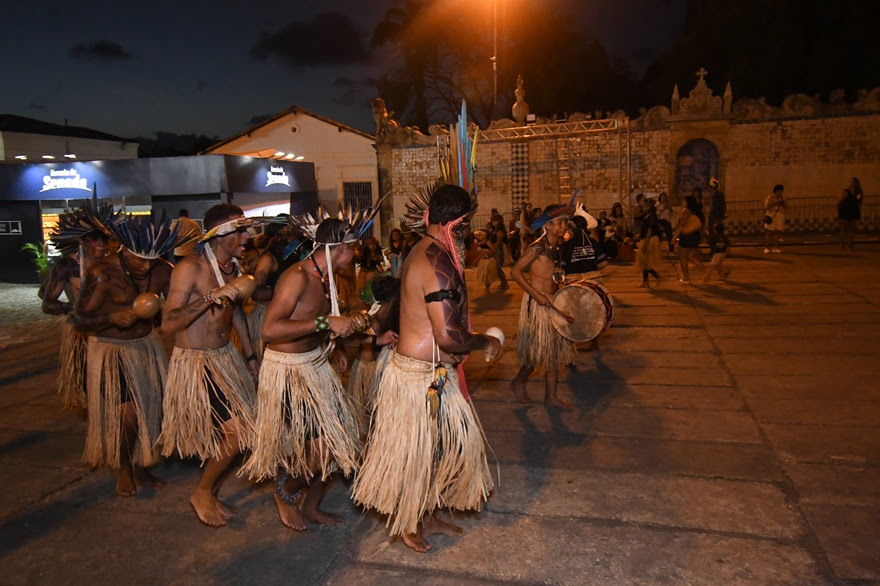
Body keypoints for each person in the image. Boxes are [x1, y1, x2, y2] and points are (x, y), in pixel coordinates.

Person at [352, 184, 501, 553]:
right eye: (466, 228)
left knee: (437, 449)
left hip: (432, 375)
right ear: (458, 225)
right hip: (417, 378)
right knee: (415, 455)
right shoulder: (436, 264)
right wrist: (487, 342)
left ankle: (427, 510)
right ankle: (408, 522)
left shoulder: (423, 249)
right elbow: (449, 336)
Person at [241, 217, 367, 531]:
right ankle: (286, 492)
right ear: (339, 248)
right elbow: (270, 329)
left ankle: (311, 506)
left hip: (315, 366)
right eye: (353, 247)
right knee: (322, 448)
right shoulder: (296, 277)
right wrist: (326, 325)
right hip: (289, 372)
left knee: (341, 442)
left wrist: (336, 346)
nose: (357, 252)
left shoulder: (328, 278)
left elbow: (321, 319)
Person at [158, 204, 262, 527]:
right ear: (219, 234)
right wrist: (209, 298)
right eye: (239, 231)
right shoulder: (190, 268)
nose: (246, 237)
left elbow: (238, 313)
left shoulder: (233, 267)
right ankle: (202, 492)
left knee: (245, 433)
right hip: (197, 364)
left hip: (225, 358)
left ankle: (211, 492)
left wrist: (250, 355)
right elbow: (167, 324)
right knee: (239, 431)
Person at [73, 213, 188, 497]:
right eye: (139, 259)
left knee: (150, 411)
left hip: (147, 347)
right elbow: (77, 319)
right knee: (128, 415)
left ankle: (140, 465)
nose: (145, 266)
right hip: (113, 351)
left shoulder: (163, 270)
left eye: (151, 259)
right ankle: (123, 466)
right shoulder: (102, 273)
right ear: (124, 249)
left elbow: (170, 311)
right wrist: (112, 317)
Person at [41, 206, 112, 412]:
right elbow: (47, 304)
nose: (100, 244)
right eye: (93, 239)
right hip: (82, 334)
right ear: (81, 240)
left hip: (111, 330)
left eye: (103, 239)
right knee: (87, 379)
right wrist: (72, 308)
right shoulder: (67, 266)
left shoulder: (116, 264)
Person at [510, 204, 578, 409]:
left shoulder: (557, 247)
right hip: (537, 304)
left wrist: (563, 286)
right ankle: (519, 381)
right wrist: (537, 295)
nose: (562, 225)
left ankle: (550, 397)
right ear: (546, 226)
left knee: (553, 352)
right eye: (558, 222)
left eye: (565, 221)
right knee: (535, 353)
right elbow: (515, 272)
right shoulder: (537, 247)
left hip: (553, 302)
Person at [560, 203, 607, 283]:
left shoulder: (565, 246)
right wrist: (590, 269)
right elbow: (604, 263)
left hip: (574, 281)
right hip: (593, 280)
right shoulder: (593, 243)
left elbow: (561, 268)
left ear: (571, 230)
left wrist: (579, 275)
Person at [673, 195, 704, 284]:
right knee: (691, 256)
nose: (683, 203)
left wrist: (675, 237)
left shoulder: (685, 211)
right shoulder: (695, 211)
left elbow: (682, 225)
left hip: (687, 236)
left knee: (683, 257)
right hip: (695, 236)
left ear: (687, 203)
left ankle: (686, 278)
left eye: (684, 201)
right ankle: (705, 270)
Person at [635, 199, 663, 287]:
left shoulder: (652, 216)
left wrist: (646, 243)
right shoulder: (647, 215)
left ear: (650, 207)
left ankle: (657, 276)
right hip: (646, 239)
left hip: (650, 240)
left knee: (646, 261)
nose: (643, 208)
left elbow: (650, 230)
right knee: (644, 261)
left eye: (645, 206)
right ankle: (646, 281)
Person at [837, 179, 862, 249]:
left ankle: (849, 243)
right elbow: (841, 201)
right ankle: (843, 243)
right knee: (844, 229)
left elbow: (859, 200)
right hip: (845, 214)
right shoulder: (846, 192)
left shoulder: (858, 192)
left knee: (851, 229)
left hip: (852, 213)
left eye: (852, 182)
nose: (851, 184)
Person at [488, 215, 510, 290]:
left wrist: (490, 246)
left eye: (495, 220)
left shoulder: (500, 230)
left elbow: (498, 242)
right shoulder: (495, 229)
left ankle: (504, 282)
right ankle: (503, 282)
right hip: (495, 249)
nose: (493, 222)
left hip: (498, 250)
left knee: (498, 267)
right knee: (496, 268)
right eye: (492, 220)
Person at [763, 184, 786, 253]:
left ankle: (775, 247)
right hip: (772, 215)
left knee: (778, 231)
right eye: (779, 190)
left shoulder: (783, 198)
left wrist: (783, 205)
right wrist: (776, 203)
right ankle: (767, 247)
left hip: (781, 215)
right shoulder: (770, 197)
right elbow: (766, 206)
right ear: (775, 191)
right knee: (769, 231)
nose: (780, 192)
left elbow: (786, 207)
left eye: (781, 191)